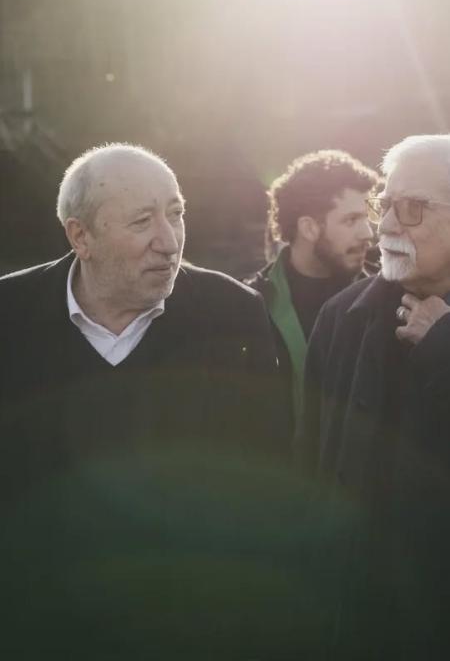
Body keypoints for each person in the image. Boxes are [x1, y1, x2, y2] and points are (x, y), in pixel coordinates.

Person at [0, 142, 293, 658]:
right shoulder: (11, 316)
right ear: (81, 236)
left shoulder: (235, 314)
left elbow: (265, 469)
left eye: (176, 214)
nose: (169, 241)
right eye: (142, 221)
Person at [302, 134, 450, 658]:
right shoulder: (341, 317)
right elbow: (312, 465)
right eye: (382, 205)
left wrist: (443, 345)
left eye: (412, 209)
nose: (385, 225)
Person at [247, 149, 379, 437]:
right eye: (351, 220)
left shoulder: (389, 303)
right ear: (308, 227)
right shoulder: (248, 308)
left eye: (367, 217)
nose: (368, 233)